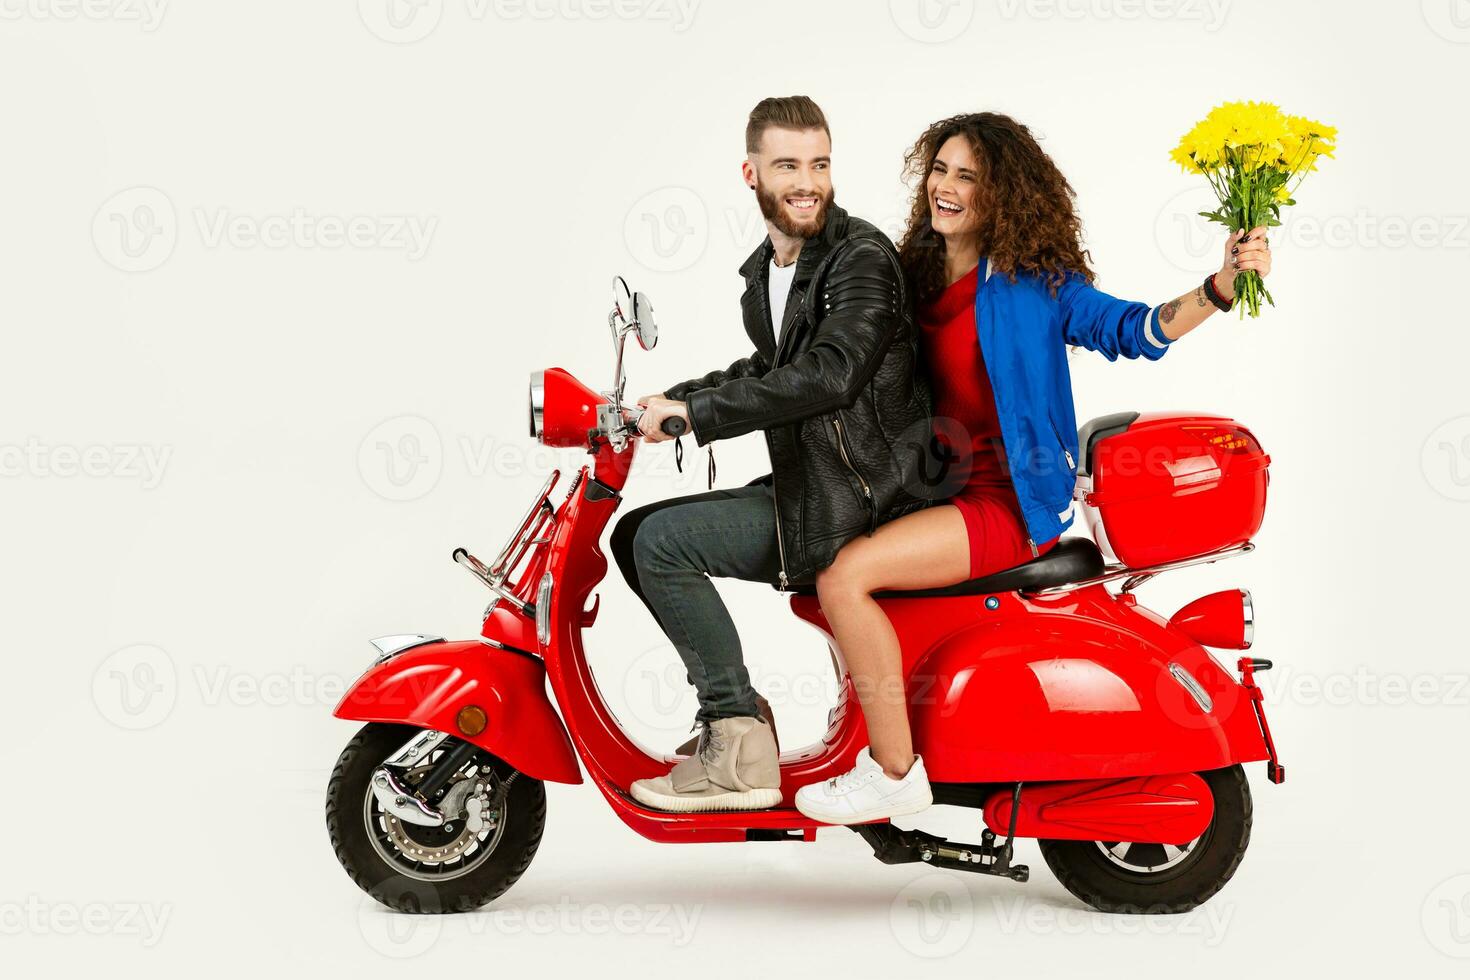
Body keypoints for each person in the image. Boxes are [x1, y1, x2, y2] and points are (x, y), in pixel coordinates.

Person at [791, 111, 1274, 825]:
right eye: (941, 169)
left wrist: (1220, 287)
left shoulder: (1035, 285)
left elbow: (1134, 328)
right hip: (926, 490)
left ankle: (892, 772)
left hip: (1004, 505)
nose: (946, 188)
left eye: (969, 177)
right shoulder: (910, 274)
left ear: (1002, 196)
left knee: (847, 577)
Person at [609, 95, 932, 813]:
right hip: (814, 481)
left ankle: (738, 749)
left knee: (661, 543)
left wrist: (696, 416)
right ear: (750, 172)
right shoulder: (771, 269)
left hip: (863, 497)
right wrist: (667, 402)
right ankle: (735, 717)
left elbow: (829, 374)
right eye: (788, 165)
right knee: (634, 533)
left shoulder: (861, 260)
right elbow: (771, 368)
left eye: (818, 164)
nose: (807, 182)